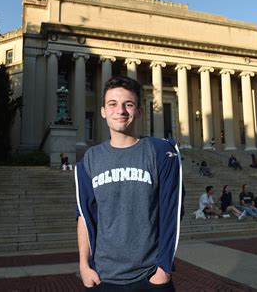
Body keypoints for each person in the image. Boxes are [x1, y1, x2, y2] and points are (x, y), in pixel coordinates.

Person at [75, 76, 181, 291]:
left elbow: (172, 212)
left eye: (128, 104)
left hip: (150, 275)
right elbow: (85, 216)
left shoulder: (162, 152)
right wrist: (84, 265)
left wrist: (164, 269)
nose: (120, 111)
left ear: (139, 111)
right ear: (103, 111)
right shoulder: (89, 159)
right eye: (112, 104)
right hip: (103, 277)